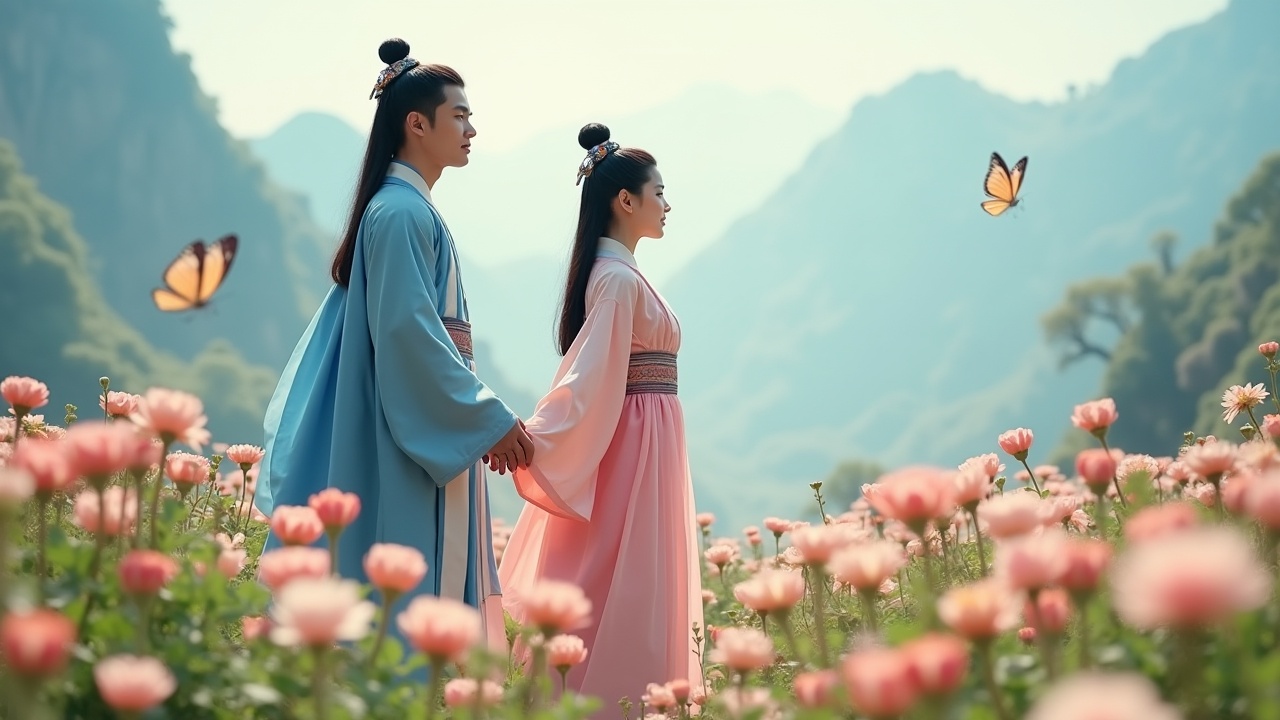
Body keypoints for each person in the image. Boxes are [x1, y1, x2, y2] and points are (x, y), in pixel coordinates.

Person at [255, 38, 533, 653]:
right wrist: (486, 417)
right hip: (405, 432)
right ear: (417, 123)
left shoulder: (401, 209)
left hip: (419, 416)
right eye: (459, 115)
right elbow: (410, 336)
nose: (471, 129)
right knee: (406, 578)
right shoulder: (402, 213)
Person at [498, 123, 703, 706]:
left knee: (631, 577)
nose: (666, 203)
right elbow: (587, 377)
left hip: (648, 437)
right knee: (621, 580)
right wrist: (535, 438)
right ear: (625, 200)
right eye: (658, 192)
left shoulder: (622, 273)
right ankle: (608, 699)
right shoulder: (615, 280)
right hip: (634, 448)